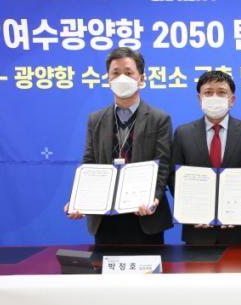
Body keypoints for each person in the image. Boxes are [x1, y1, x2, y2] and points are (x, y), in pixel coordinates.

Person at [64, 47, 172, 244]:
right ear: (108, 79)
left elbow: (162, 165)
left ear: (141, 78)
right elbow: (89, 163)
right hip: (105, 218)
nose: (122, 78)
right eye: (116, 73)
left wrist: (154, 199)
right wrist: (80, 201)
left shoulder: (159, 119)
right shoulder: (95, 119)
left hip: (145, 216)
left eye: (129, 73)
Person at [170, 70, 241, 245]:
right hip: (197, 231)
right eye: (208, 92)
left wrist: (239, 212)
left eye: (221, 92)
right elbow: (174, 178)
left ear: (232, 100)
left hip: (238, 231)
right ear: (199, 98)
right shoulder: (183, 133)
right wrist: (191, 212)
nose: (214, 97)